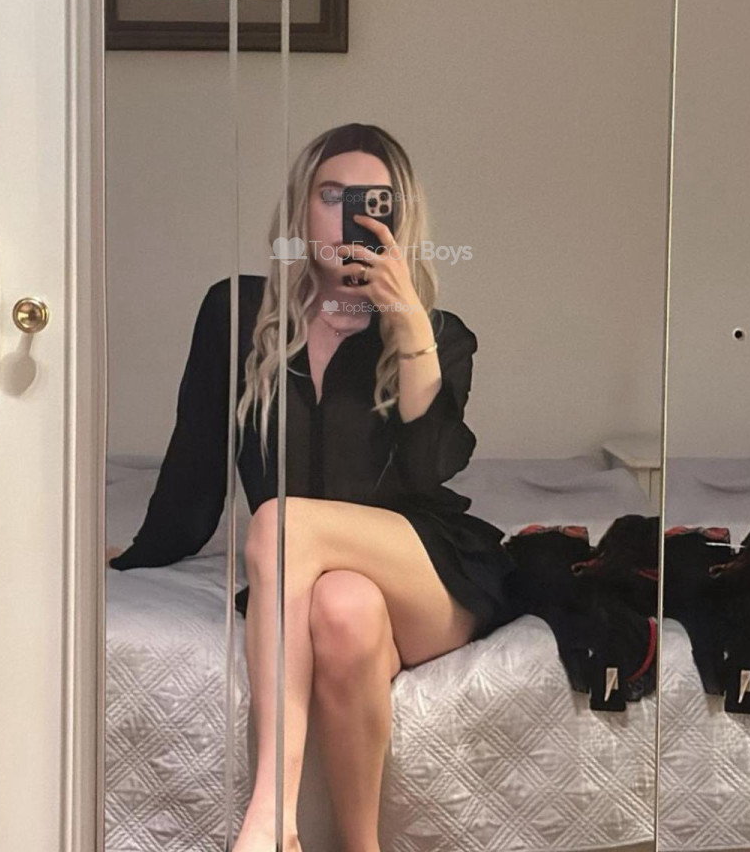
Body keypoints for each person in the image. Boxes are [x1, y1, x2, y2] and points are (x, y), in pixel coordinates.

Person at [109, 122, 518, 852]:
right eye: (331, 196)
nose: (349, 216)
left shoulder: (440, 333)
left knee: (278, 521)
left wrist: (407, 324)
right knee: (341, 609)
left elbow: (430, 468)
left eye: (373, 201)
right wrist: (143, 554)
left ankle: (272, 816)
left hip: (424, 572)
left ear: (400, 216)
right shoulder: (237, 312)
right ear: (301, 207)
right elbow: (197, 455)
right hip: (319, 577)